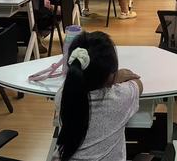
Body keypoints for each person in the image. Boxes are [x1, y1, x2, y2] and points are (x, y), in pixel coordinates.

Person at [54, 31, 142, 161]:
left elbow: (71, 84)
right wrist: (117, 77)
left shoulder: (63, 96)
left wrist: (110, 77)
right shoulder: (120, 97)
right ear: (109, 76)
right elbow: (138, 84)